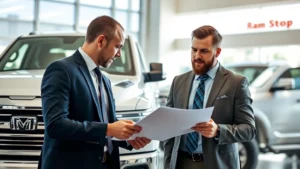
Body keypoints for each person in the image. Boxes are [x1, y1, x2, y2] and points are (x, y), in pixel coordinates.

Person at [38, 15, 151, 169]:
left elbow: (107, 122)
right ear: (101, 41)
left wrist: (127, 137)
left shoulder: (104, 80)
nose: (119, 54)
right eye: (118, 46)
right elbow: (55, 124)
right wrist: (109, 129)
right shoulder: (61, 70)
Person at [163, 25, 256, 169]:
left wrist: (218, 130)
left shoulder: (236, 83)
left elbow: (249, 129)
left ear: (217, 52)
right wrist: (168, 164)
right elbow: (170, 127)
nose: (197, 56)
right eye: (194, 50)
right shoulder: (178, 81)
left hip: (217, 163)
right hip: (181, 162)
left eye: (204, 51)